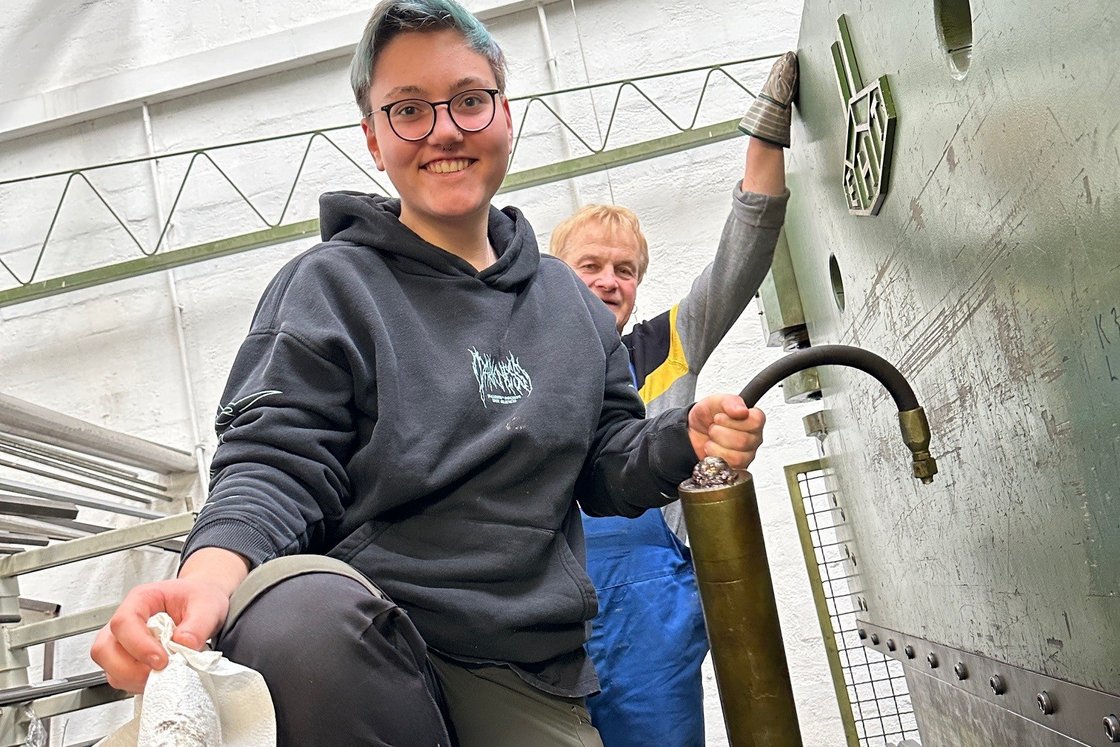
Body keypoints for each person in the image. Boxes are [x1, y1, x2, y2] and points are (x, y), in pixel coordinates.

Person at [90, 2, 766, 746]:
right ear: (374, 140)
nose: (444, 129)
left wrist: (679, 439)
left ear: (505, 114)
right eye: (408, 109)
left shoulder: (568, 302)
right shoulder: (328, 287)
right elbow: (275, 461)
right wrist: (207, 581)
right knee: (298, 619)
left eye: (469, 100)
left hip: (521, 666)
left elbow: (606, 461)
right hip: (359, 645)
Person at [550, 54, 796, 747]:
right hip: (550, 622)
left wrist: (766, 137)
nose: (608, 281)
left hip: (653, 619)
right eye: (589, 265)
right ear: (551, 277)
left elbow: (741, 261)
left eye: (624, 269)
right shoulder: (520, 365)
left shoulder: (669, 345)